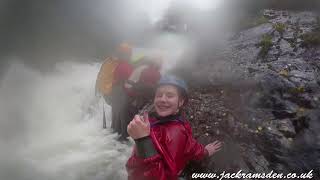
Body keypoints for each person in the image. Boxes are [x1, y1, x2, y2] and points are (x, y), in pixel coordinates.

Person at [126, 75, 222, 180]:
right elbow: (191, 147)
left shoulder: (175, 132)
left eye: (169, 95)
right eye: (159, 95)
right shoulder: (173, 121)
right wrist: (205, 151)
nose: (162, 99)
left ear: (180, 102)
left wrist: (142, 141)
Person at [95, 42, 133, 140]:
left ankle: (114, 138)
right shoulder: (123, 65)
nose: (129, 55)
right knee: (121, 118)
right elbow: (127, 80)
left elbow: (101, 77)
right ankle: (121, 138)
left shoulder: (111, 62)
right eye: (128, 53)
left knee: (116, 117)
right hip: (120, 93)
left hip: (112, 92)